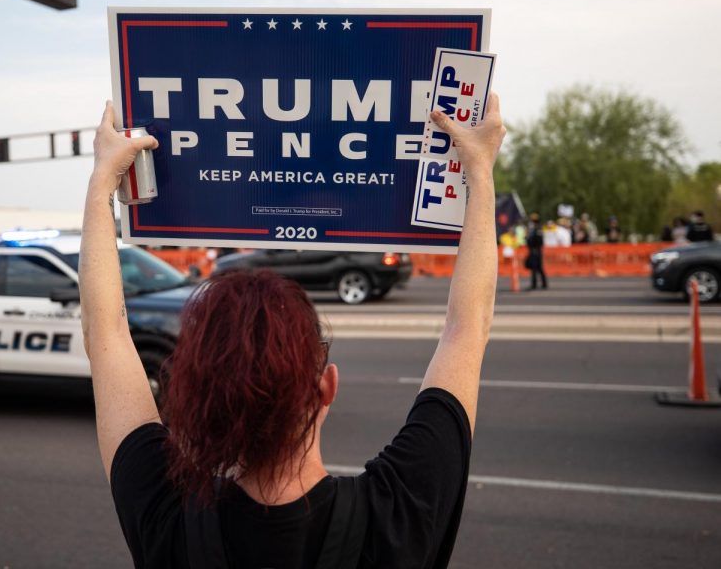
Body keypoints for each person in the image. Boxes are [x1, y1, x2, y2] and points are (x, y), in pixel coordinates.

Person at [78, 96, 504, 568]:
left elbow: (106, 333)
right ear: (326, 386)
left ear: (194, 396)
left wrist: (102, 185)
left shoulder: (167, 516)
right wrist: (479, 173)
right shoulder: (400, 512)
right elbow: (467, 329)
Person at [525, 212, 548, 290]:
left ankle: (536, 284)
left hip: (536, 251)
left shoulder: (537, 229)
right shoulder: (534, 229)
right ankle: (542, 284)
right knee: (537, 268)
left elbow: (539, 241)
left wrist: (529, 239)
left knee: (536, 268)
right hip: (534, 250)